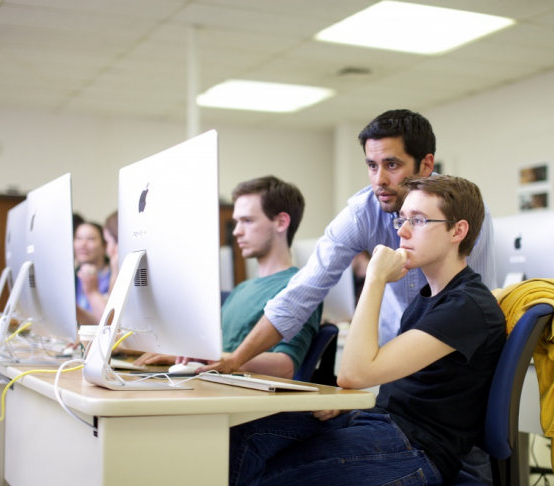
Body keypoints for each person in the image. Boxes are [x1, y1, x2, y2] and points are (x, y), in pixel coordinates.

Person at [228, 175, 506, 486]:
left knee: (260, 480)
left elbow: (353, 374)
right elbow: (381, 380)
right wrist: (346, 406)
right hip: (380, 424)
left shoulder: (466, 305)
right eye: (402, 219)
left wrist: (375, 278)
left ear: (458, 231)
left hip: (416, 451)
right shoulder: (430, 297)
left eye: (418, 220)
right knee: (245, 434)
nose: (401, 231)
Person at [204, 109, 495, 375]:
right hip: (392, 345)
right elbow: (299, 295)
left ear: (426, 164)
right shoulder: (362, 213)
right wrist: (235, 360)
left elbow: (479, 297)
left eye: (392, 164)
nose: (379, 179)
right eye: (372, 165)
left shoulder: (464, 214)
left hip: (454, 351)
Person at [136, 176, 321, 379]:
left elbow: (285, 366)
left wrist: (205, 357)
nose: (237, 232)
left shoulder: (299, 289)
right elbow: (217, 352)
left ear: (281, 222)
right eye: (236, 222)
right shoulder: (241, 289)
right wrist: (185, 355)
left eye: (247, 221)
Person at [74, 222, 111, 325]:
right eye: (78, 238)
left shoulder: (114, 276)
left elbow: (110, 323)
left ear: (104, 246)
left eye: (90, 239)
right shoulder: (71, 277)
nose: (83, 244)